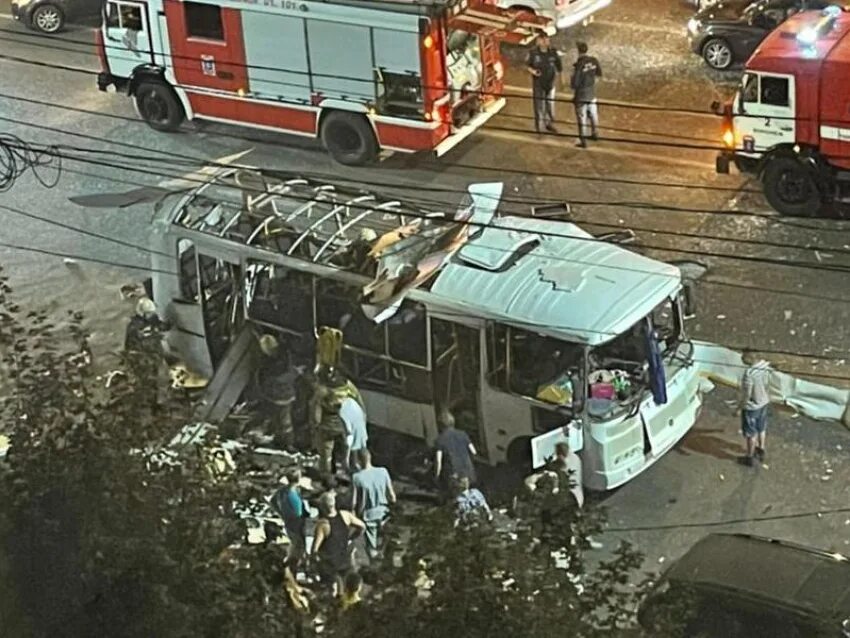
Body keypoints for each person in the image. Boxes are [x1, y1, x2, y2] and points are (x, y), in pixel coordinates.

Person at [310, 491, 365, 594]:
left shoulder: (323, 525)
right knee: (346, 587)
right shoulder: (345, 515)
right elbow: (362, 526)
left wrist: (312, 563)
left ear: (322, 507)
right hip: (344, 559)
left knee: (332, 589)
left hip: (329, 563)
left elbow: (314, 550)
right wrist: (351, 538)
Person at [351, 448, 396, 559]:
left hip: (368, 515)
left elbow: (353, 502)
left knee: (371, 547)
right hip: (384, 513)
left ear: (358, 461)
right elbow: (392, 496)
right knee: (386, 542)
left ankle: (374, 568)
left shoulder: (357, 478)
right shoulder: (383, 471)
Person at [434, 411, 477, 500]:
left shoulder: (440, 439)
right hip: (468, 472)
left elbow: (438, 461)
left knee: (454, 495)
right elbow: (473, 452)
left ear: (441, 425)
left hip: (453, 474)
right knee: (466, 493)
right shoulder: (463, 434)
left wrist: (437, 476)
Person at [526, 31, 563, 134]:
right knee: (538, 105)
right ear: (539, 41)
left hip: (550, 84)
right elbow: (528, 66)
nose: (546, 42)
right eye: (543, 40)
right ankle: (539, 127)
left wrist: (560, 81)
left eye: (547, 39)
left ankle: (549, 124)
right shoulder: (533, 53)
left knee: (550, 105)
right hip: (538, 84)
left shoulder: (553, 52)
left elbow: (559, 67)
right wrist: (533, 71)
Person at [274, 468, 310, 570]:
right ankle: (291, 566)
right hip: (296, 523)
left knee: (295, 544)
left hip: (288, 521)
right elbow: (298, 513)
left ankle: (296, 563)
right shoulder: (293, 495)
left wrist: (280, 513)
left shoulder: (282, 491)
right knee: (298, 546)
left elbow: (272, 501)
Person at [739, 351, 770, 466]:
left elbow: (747, 394)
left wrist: (739, 408)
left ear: (749, 358)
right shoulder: (764, 365)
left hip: (752, 407)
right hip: (764, 402)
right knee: (761, 428)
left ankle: (749, 457)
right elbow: (767, 383)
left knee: (751, 433)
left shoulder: (749, 373)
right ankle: (761, 450)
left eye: (743, 357)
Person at [570, 41, 602, 148]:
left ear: (578, 51)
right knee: (593, 115)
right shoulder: (593, 60)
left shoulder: (579, 65)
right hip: (591, 94)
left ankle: (582, 140)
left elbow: (574, 84)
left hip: (581, 96)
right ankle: (595, 133)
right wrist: (591, 83)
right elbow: (598, 75)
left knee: (582, 117)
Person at [340, 396, 368, 472]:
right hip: (361, 429)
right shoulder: (353, 403)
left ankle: (349, 465)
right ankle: (363, 465)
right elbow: (363, 415)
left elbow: (348, 429)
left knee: (350, 449)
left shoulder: (342, 411)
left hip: (353, 432)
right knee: (361, 448)